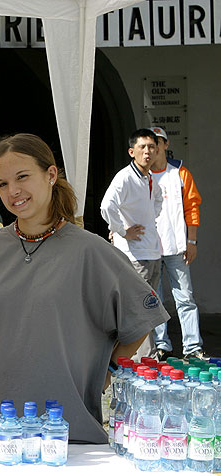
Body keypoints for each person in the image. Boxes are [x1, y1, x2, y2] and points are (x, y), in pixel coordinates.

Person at [0, 133, 169, 444]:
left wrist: (106, 372)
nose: (14, 191)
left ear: (50, 175)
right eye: (2, 184)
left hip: (66, 431)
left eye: (22, 177)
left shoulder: (91, 251)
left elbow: (144, 315)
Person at [99, 128, 164, 358]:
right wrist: (121, 231)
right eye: (143, 147)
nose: (148, 151)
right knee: (140, 308)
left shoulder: (149, 178)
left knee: (149, 307)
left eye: (152, 147)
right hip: (135, 253)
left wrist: (149, 219)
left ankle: (145, 357)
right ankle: (141, 359)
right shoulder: (125, 177)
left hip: (152, 251)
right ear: (131, 151)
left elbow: (157, 200)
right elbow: (107, 206)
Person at [148, 126, 206, 360]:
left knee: (185, 298)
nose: (153, 147)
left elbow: (192, 208)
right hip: (149, 249)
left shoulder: (180, 174)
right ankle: (161, 345)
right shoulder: (139, 175)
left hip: (176, 247)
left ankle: (192, 347)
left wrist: (192, 240)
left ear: (166, 144)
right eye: (149, 144)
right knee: (154, 299)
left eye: (157, 142)